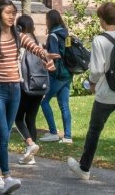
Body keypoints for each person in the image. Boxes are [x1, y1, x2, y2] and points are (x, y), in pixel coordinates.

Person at [0, 0, 56, 193]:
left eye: (13, 13)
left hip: (15, 90)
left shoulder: (19, 36)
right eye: (8, 13)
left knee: (5, 134)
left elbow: (35, 48)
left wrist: (46, 58)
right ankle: (7, 177)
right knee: (2, 133)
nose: (11, 17)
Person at [65, 0, 115, 188]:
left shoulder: (99, 40)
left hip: (106, 95)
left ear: (101, 18)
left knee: (94, 131)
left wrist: (91, 83)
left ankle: (84, 168)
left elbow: (97, 69)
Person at [13, 14, 49, 166]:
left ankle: (30, 145)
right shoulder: (38, 43)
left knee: (18, 117)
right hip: (39, 86)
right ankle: (31, 155)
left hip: (24, 85)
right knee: (31, 119)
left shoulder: (19, 42)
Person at [41, 9, 73, 144]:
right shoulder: (66, 34)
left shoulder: (53, 36)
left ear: (50, 21)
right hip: (68, 73)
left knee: (44, 101)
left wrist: (45, 53)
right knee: (64, 105)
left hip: (57, 74)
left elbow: (55, 55)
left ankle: (53, 132)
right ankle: (67, 136)